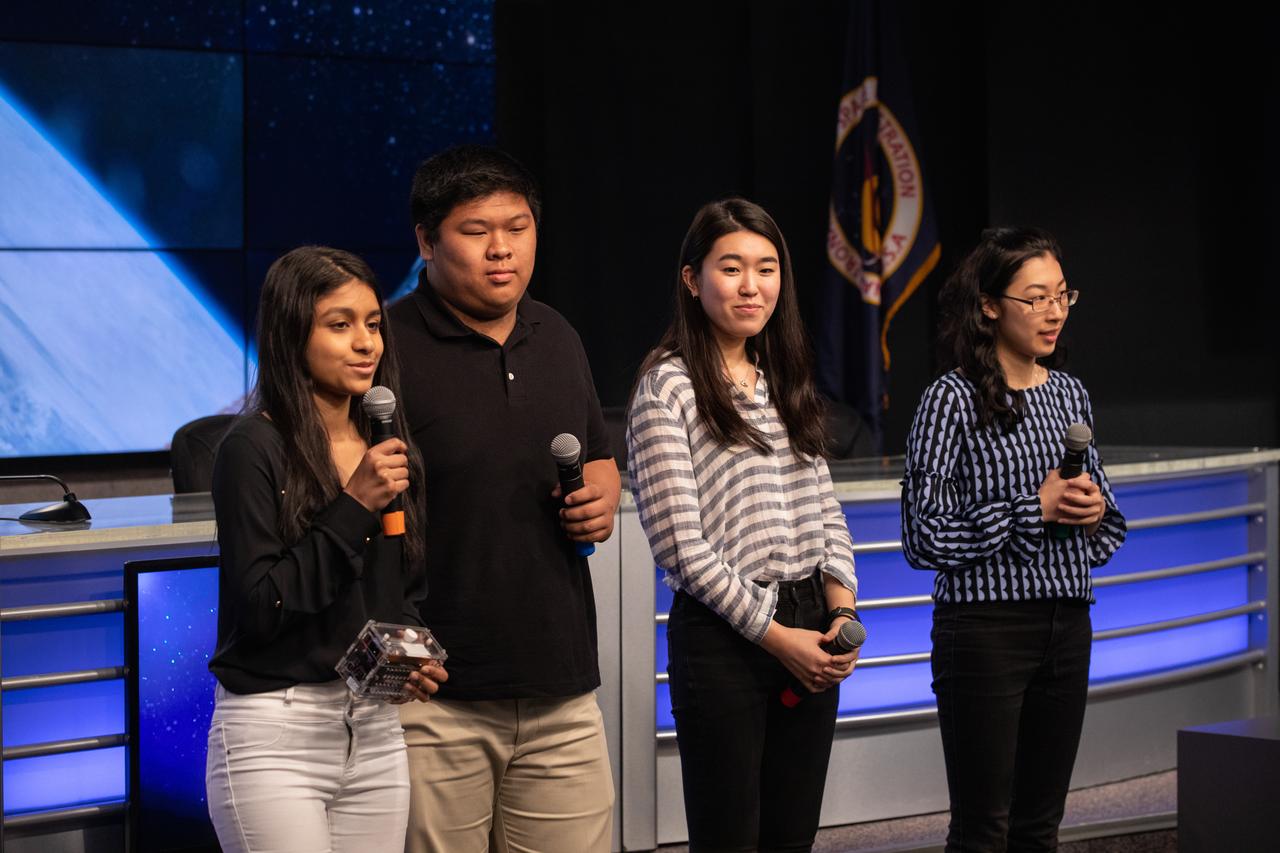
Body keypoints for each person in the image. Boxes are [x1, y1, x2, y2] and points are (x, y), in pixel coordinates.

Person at [389, 145, 619, 853]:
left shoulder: (557, 334)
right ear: (427, 241)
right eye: (476, 229)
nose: (502, 249)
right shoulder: (385, 346)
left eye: (517, 227)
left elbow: (598, 455)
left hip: (562, 687)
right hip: (433, 697)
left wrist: (606, 489)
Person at [626, 198, 860, 852]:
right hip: (725, 637)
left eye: (767, 267)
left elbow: (825, 508)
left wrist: (841, 610)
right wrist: (777, 637)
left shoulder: (786, 376)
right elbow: (680, 547)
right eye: (732, 268)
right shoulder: (666, 387)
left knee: (792, 835)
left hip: (812, 622)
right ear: (692, 278)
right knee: (731, 837)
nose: (752, 285)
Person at [206, 246, 445, 853]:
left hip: (372, 726)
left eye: (372, 324)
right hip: (275, 731)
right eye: (340, 325)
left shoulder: (391, 450)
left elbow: (402, 588)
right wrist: (354, 503)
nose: (366, 343)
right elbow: (263, 606)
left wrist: (411, 654)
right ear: (292, 335)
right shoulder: (252, 448)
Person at [900, 226, 1127, 852]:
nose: (1054, 312)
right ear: (990, 305)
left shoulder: (1069, 395)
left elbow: (1110, 531)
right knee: (984, 828)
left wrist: (1091, 510)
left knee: (1039, 827)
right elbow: (922, 537)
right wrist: (1034, 509)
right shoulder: (951, 400)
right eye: (1036, 298)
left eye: (1062, 295)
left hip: (1068, 624)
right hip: (983, 632)